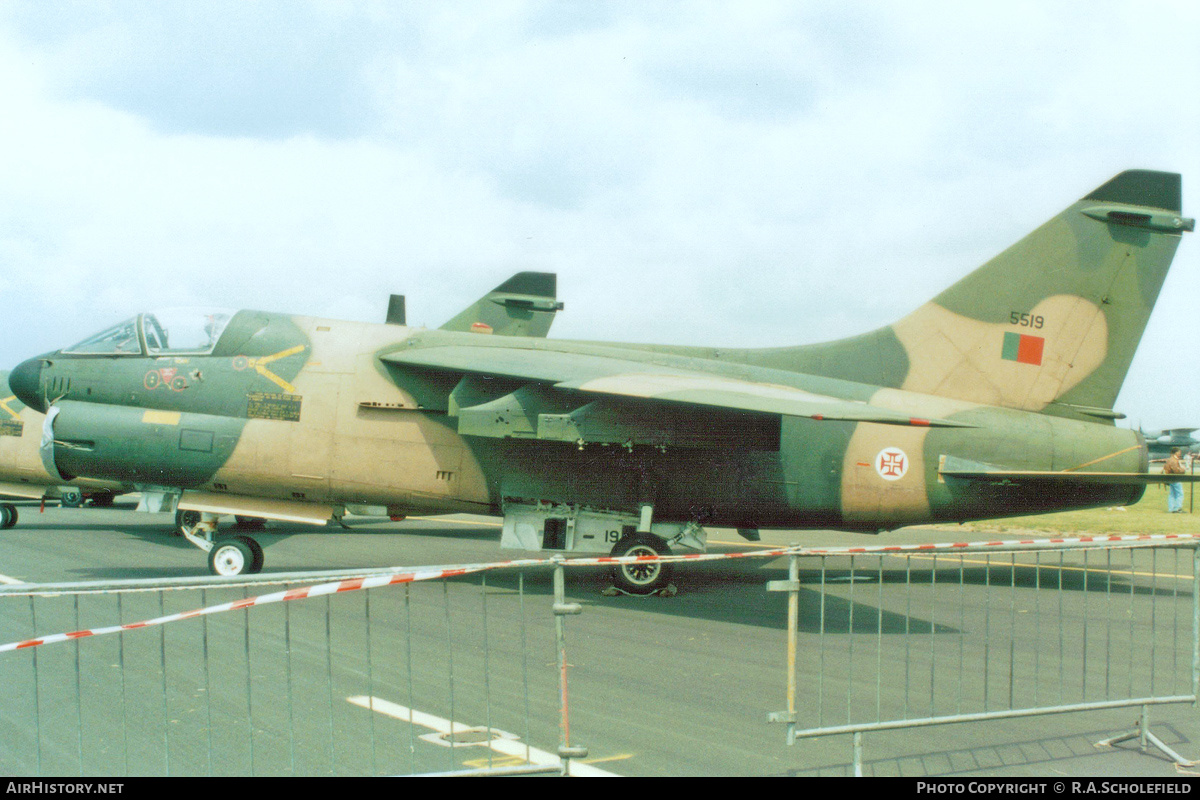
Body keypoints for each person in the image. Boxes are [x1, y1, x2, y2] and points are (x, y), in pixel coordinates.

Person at [1164, 447, 1186, 512]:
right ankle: (1178, 508)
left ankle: (1171, 509)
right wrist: (1183, 470)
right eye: (1179, 452)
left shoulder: (1169, 460)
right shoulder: (1174, 460)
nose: (1180, 453)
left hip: (1170, 478)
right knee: (1180, 493)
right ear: (1176, 452)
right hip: (1175, 478)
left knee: (1172, 494)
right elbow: (1176, 470)